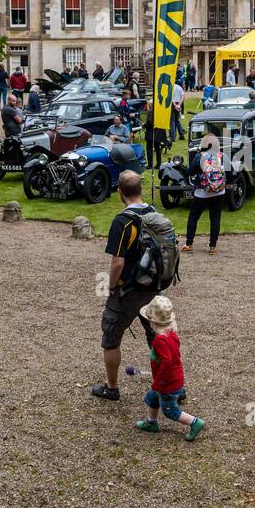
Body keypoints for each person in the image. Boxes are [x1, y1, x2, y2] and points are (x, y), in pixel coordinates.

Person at [92, 172, 163, 402]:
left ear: (119, 192)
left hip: (128, 290)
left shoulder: (123, 221)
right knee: (158, 337)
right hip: (153, 286)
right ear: (140, 189)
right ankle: (169, 386)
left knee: (111, 336)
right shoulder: (154, 214)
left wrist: (111, 287)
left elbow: (118, 262)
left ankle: (111, 387)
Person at [182, 132, 224, 255]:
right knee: (215, 217)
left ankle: (189, 243)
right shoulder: (221, 156)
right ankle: (212, 246)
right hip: (219, 190)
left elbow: (190, 172)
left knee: (194, 217)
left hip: (202, 191)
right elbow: (229, 170)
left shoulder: (200, 157)